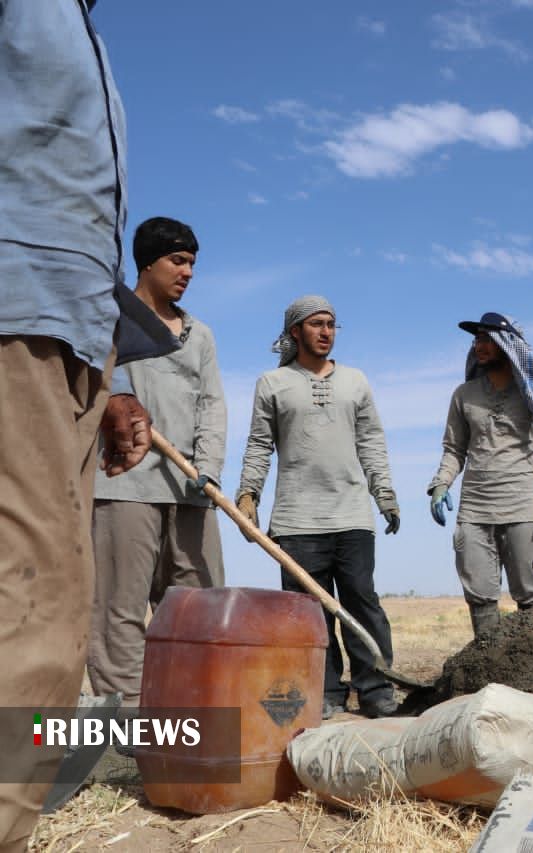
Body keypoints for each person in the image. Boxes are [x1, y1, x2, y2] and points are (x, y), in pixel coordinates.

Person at [0, 2, 178, 846]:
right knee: (41, 601)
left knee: (46, 604)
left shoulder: (83, 34)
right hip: (16, 323)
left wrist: (107, 385)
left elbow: (64, 225)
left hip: (66, 338)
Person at [235, 296, 401, 720]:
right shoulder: (272, 384)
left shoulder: (356, 381)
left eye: (331, 324)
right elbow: (259, 444)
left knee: (362, 603)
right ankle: (324, 689)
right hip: (295, 518)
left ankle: (375, 688)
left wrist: (384, 494)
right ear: (295, 332)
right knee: (308, 612)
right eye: (316, 324)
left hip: (351, 514)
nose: (326, 331)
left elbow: (372, 443)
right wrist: (248, 494)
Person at [88, 217, 227, 707]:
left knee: (198, 608)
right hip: (123, 485)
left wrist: (209, 467)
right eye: (177, 260)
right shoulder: (109, 318)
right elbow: (92, 384)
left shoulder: (199, 335)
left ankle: (187, 709)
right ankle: (124, 715)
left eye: (192, 262)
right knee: (118, 609)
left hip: (191, 488)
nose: (187, 271)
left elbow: (212, 405)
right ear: (146, 262)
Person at [428, 312, 533, 642]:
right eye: (476, 339)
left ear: (508, 346)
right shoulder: (463, 395)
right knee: (479, 595)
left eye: (487, 339)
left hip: (524, 510)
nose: (479, 345)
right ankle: (489, 672)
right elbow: (454, 449)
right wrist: (440, 484)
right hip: (475, 511)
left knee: (531, 597)